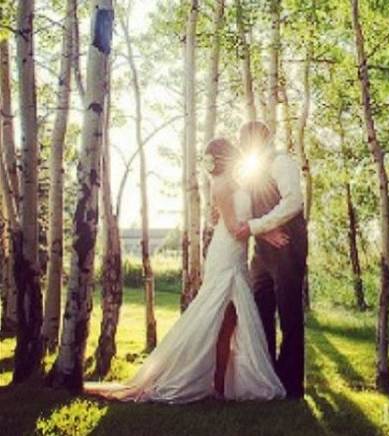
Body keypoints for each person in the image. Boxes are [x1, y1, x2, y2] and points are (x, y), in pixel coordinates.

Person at [84, 138, 288, 403]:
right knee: (219, 317)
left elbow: (236, 220)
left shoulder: (235, 183)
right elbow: (235, 228)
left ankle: (221, 383)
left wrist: (262, 227)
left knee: (232, 319)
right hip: (225, 255)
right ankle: (210, 382)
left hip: (235, 256)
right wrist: (266, 230)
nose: (210, 163)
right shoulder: (222, 185)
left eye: (211, 157)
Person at [234, 121, 308, 400]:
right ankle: (268, 380)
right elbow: (250, 211)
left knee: (289, 315)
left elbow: (293, 202)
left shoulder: (282, 163)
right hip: (263, 250)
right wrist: (262, 231)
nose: (242, 147)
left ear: (259, 140)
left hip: (289, 245)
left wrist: (257, 227)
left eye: (245, 142)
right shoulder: (251, 171)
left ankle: (291, 387)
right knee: (260, 311)